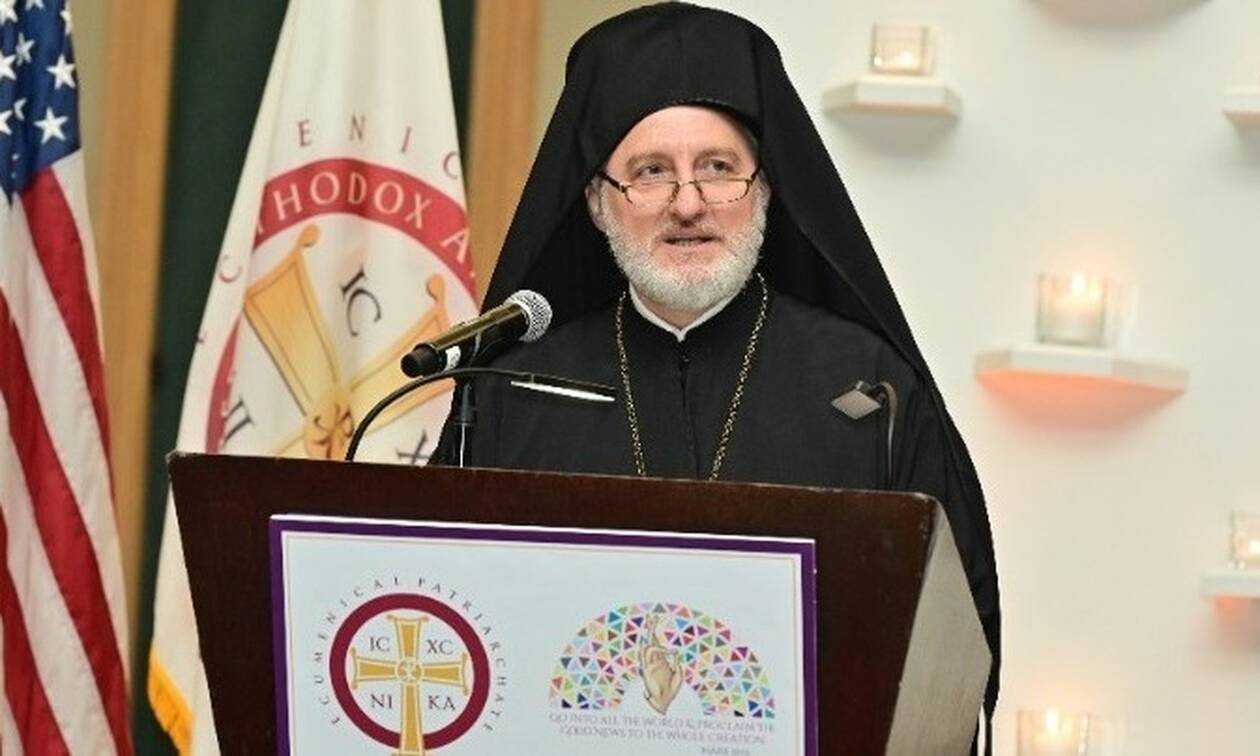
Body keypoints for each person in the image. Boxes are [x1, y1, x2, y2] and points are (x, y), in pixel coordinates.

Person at [433, 2, 999, 746]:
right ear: (598, 203)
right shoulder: (513, 388)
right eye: (651, 173)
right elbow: (452, 612)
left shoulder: (869, 385)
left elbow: (950, 644)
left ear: (765, 188)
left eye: (719, 169)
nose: (689, 204)